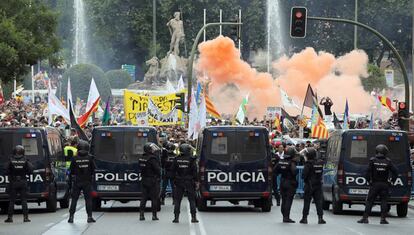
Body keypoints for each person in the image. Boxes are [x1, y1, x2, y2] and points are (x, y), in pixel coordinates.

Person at [358, 144, 398, 224]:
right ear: (385, 152)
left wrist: (369, 181)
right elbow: (395, 172)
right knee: (384, 201)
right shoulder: (388, 161)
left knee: (369, 201)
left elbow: (367, 173)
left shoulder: (373, 161)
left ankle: (365, 218)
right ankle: (383, 219)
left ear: (376, 151)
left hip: (375, 184)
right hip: (384, 184)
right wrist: (391, 181)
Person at [68, 140, 96, 223]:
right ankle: (89, 217)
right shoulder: (90, 158)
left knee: (74, 199)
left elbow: (71, 171)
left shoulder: (74, 158)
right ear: (87, 148)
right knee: (88, 199)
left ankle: (71, 217)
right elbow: (94, 169)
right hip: (87, 181)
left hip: (77, 182)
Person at [4, 145, 34, 223]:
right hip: (23, 181)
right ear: (23, 152)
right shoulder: (25, 160)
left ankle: (10, 218)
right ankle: (26, 218)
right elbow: (31, 170)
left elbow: (6, 170)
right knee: (24, 200)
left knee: (12, 201)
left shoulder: (10, 160)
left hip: (13, 182)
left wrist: (11, 174)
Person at [172, 143, 198, 223]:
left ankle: (176, 218)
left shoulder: (176, 159)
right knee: (192, 200)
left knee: (177, 201)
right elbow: (195, 172)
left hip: (179, 181)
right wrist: (196, 181)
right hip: (189, 181)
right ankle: (193, 218)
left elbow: (172, 171)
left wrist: (175, 180)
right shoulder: (191, 159)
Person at [300, 147, 326, 224]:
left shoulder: (308, 164)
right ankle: (320, 218)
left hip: (309, 185)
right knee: (318, 202)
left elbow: (303, 175)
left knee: (307, 202)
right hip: (318, 185)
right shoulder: (320, 163)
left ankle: (304, 218)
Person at [274, 146, 298, 223]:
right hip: (290, 182)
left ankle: (284, 215)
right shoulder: (291, 163)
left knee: (284, 199)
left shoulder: (281, 161)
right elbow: (294, 172)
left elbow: (275, 171)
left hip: (282, 182)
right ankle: (286, 217)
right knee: (288, 200)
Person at [139, 142, 161, 221]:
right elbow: (157, 169)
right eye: (151, 149)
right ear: (149, 150)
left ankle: (141, 215)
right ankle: (154, 216)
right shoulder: (152, 158)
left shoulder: (141, 157)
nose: (153, 150)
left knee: (143, 198)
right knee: (154, 198)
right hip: (152, 180)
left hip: (144, 179)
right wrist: (158, 176)